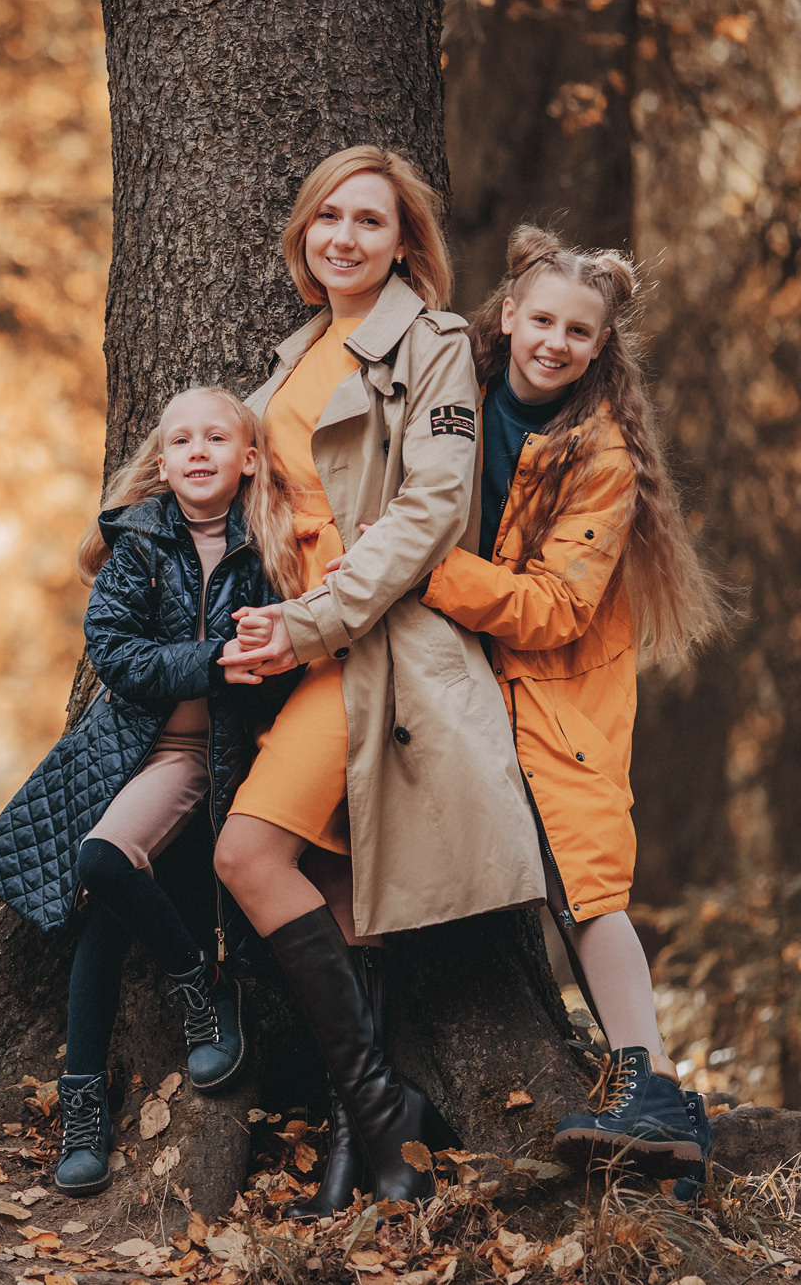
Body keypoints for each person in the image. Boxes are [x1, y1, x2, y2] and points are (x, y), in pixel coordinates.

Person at [213, 145, 546, 1213]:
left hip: (368, 646)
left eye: (369, 221)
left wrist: (309, 624)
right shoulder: (296, 352)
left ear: (405, 244)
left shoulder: (432, 344)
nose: (344, 237)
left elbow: (431, 508)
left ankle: (384, 1104)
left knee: (248, 854)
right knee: (340, 889)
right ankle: (368, 1144)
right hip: (290, 644)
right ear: (303, 234)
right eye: (328, 218)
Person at [416, 226, 729, 1168]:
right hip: (457, 665)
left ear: (600, 348)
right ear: (508, 313)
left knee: (582, 885)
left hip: (558, 685)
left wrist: (425, 571)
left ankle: (653, 1087)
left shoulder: (601, 457)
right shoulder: (451, 389)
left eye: (578, 332)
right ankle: (665, 1109)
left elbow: (554, 608)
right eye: (543, 320)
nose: (554, 342)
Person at [0, 387, 303, 1197]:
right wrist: (211, 660)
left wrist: (261, 661)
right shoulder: (139, 543)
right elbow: (114, 651)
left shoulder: (272, 547)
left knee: (107, 891)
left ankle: (113, 1080)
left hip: (226, 758)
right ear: (161, 462)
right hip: (140, 754)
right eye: (180, 440)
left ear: (248, 459)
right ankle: (184, 1003)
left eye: (215, 438)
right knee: (100, 882)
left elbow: (290, 660)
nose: (197, 451)